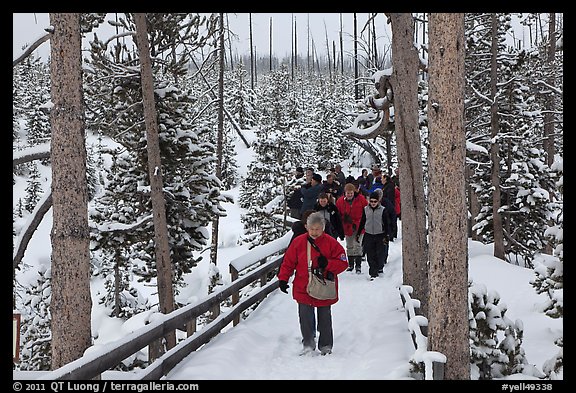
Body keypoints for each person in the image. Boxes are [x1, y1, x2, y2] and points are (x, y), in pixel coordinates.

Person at [278, 212, 349, 356]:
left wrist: (328, 264)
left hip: (323, 286)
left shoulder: (331, 243)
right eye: (312, 229)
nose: (314, 232)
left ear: (323, 228)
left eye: (318, 229)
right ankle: (308, 344)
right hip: (303, 285)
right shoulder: (298, 242)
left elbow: (343, 263)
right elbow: (288, 262)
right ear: (306, 227)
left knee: (324, 316)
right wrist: (283, 278)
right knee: (305, 316)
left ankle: (326, 345)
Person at [335, 183, 368, 273]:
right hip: (347, 226)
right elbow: (337, 214)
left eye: (351, 193)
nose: (349, 195)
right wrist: (343, 219)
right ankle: (350, 264)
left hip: (359, 225)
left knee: (357, 245)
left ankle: (358, 265)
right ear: (345, 193)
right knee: (349, 245)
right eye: (348, 193)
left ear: (354, 192)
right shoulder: (340, 201)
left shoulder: (361, 199)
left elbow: (366, 211)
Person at [357, 191, 391, 279]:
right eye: (371, 201)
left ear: (378, 201)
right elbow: (363, 221)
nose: (373, 203)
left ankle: (380, 267)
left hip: (380, 234)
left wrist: (387, 235)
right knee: (370, 254)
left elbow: (387, 223)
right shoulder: (365, 209)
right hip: (369, 234)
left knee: (380, 253)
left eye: (375, 202)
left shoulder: (383, 210)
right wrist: (359, 233)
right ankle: (373, 272)